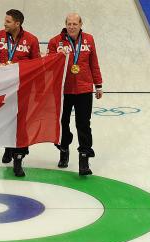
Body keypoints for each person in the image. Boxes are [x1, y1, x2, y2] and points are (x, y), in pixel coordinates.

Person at [47, 13, 103, 175]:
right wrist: (58, 56)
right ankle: (64, 149)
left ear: (80, 24)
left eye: (75, 24)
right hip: (63, 90)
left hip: (84, 89)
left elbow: (94, 63)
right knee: (62, 122)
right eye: (69, 24)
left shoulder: (89, 40)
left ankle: (84, 158)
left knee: (83, 124)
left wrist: (98, 85)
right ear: (65, 24)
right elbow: (48, 66)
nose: (72, 26)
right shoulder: (55, 42)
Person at [0, 9, 40, 177]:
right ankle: (7, 148)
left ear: (17, 23)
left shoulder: (31, 40)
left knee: (21, 124)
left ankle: (18, 158)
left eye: (8, 21)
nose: (5, 24)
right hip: (2, 89)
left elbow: (36, 64)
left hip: (22, 90)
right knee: (4, 121)